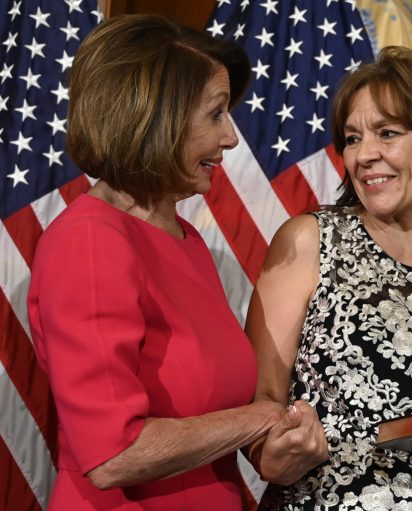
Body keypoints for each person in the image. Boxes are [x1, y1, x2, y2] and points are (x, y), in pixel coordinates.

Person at [26, 14, 306, 510]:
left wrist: (274, 444)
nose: (232, 139)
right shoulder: (89, 241)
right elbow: (114, 453)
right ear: (159, 117)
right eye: (217, 115)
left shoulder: (184, 237)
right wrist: (260, 417)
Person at [244, 46, 412, 510]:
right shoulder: (311, 240)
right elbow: (260, 402)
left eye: (387, 133)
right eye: (352, 139)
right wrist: (267, 452)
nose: (364, 155)